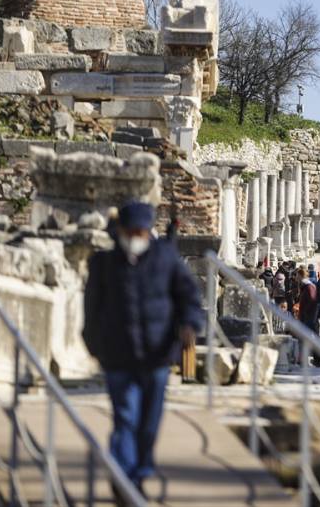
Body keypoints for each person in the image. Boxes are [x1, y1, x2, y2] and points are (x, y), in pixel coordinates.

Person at [83, 202, 203, 500]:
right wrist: (96, 347)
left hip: (157, 357)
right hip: (118, 358)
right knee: (126, 418)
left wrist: (189, 323)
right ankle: (125, 479)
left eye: (141, 231)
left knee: (149, 424)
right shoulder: (104, 264)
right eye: (131, 231)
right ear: (121, 231)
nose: (136, 236)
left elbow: (188, 295)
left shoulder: (165, 258)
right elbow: (91, 310)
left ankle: (140, 471)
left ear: (148, 232)